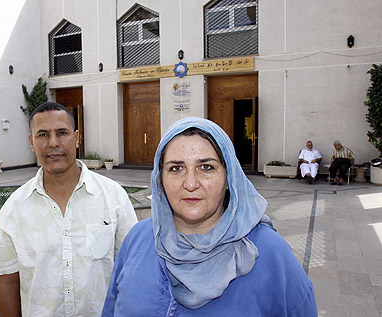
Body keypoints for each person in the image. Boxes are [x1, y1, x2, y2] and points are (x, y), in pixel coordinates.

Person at [102, 117, 317, 316]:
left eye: (206, 167)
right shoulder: (138, 239)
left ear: (228, 178)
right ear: (160, 179)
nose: (191, 183)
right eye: (176, 168)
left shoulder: (271, 253)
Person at [0, 102, 138, 316]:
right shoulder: (14, 209)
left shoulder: (113, 197)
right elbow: (7, 281)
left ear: (76, 138)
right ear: (31, 142)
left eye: (62, 133)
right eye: (42, 135)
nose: (53, 143)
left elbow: (131, 269)